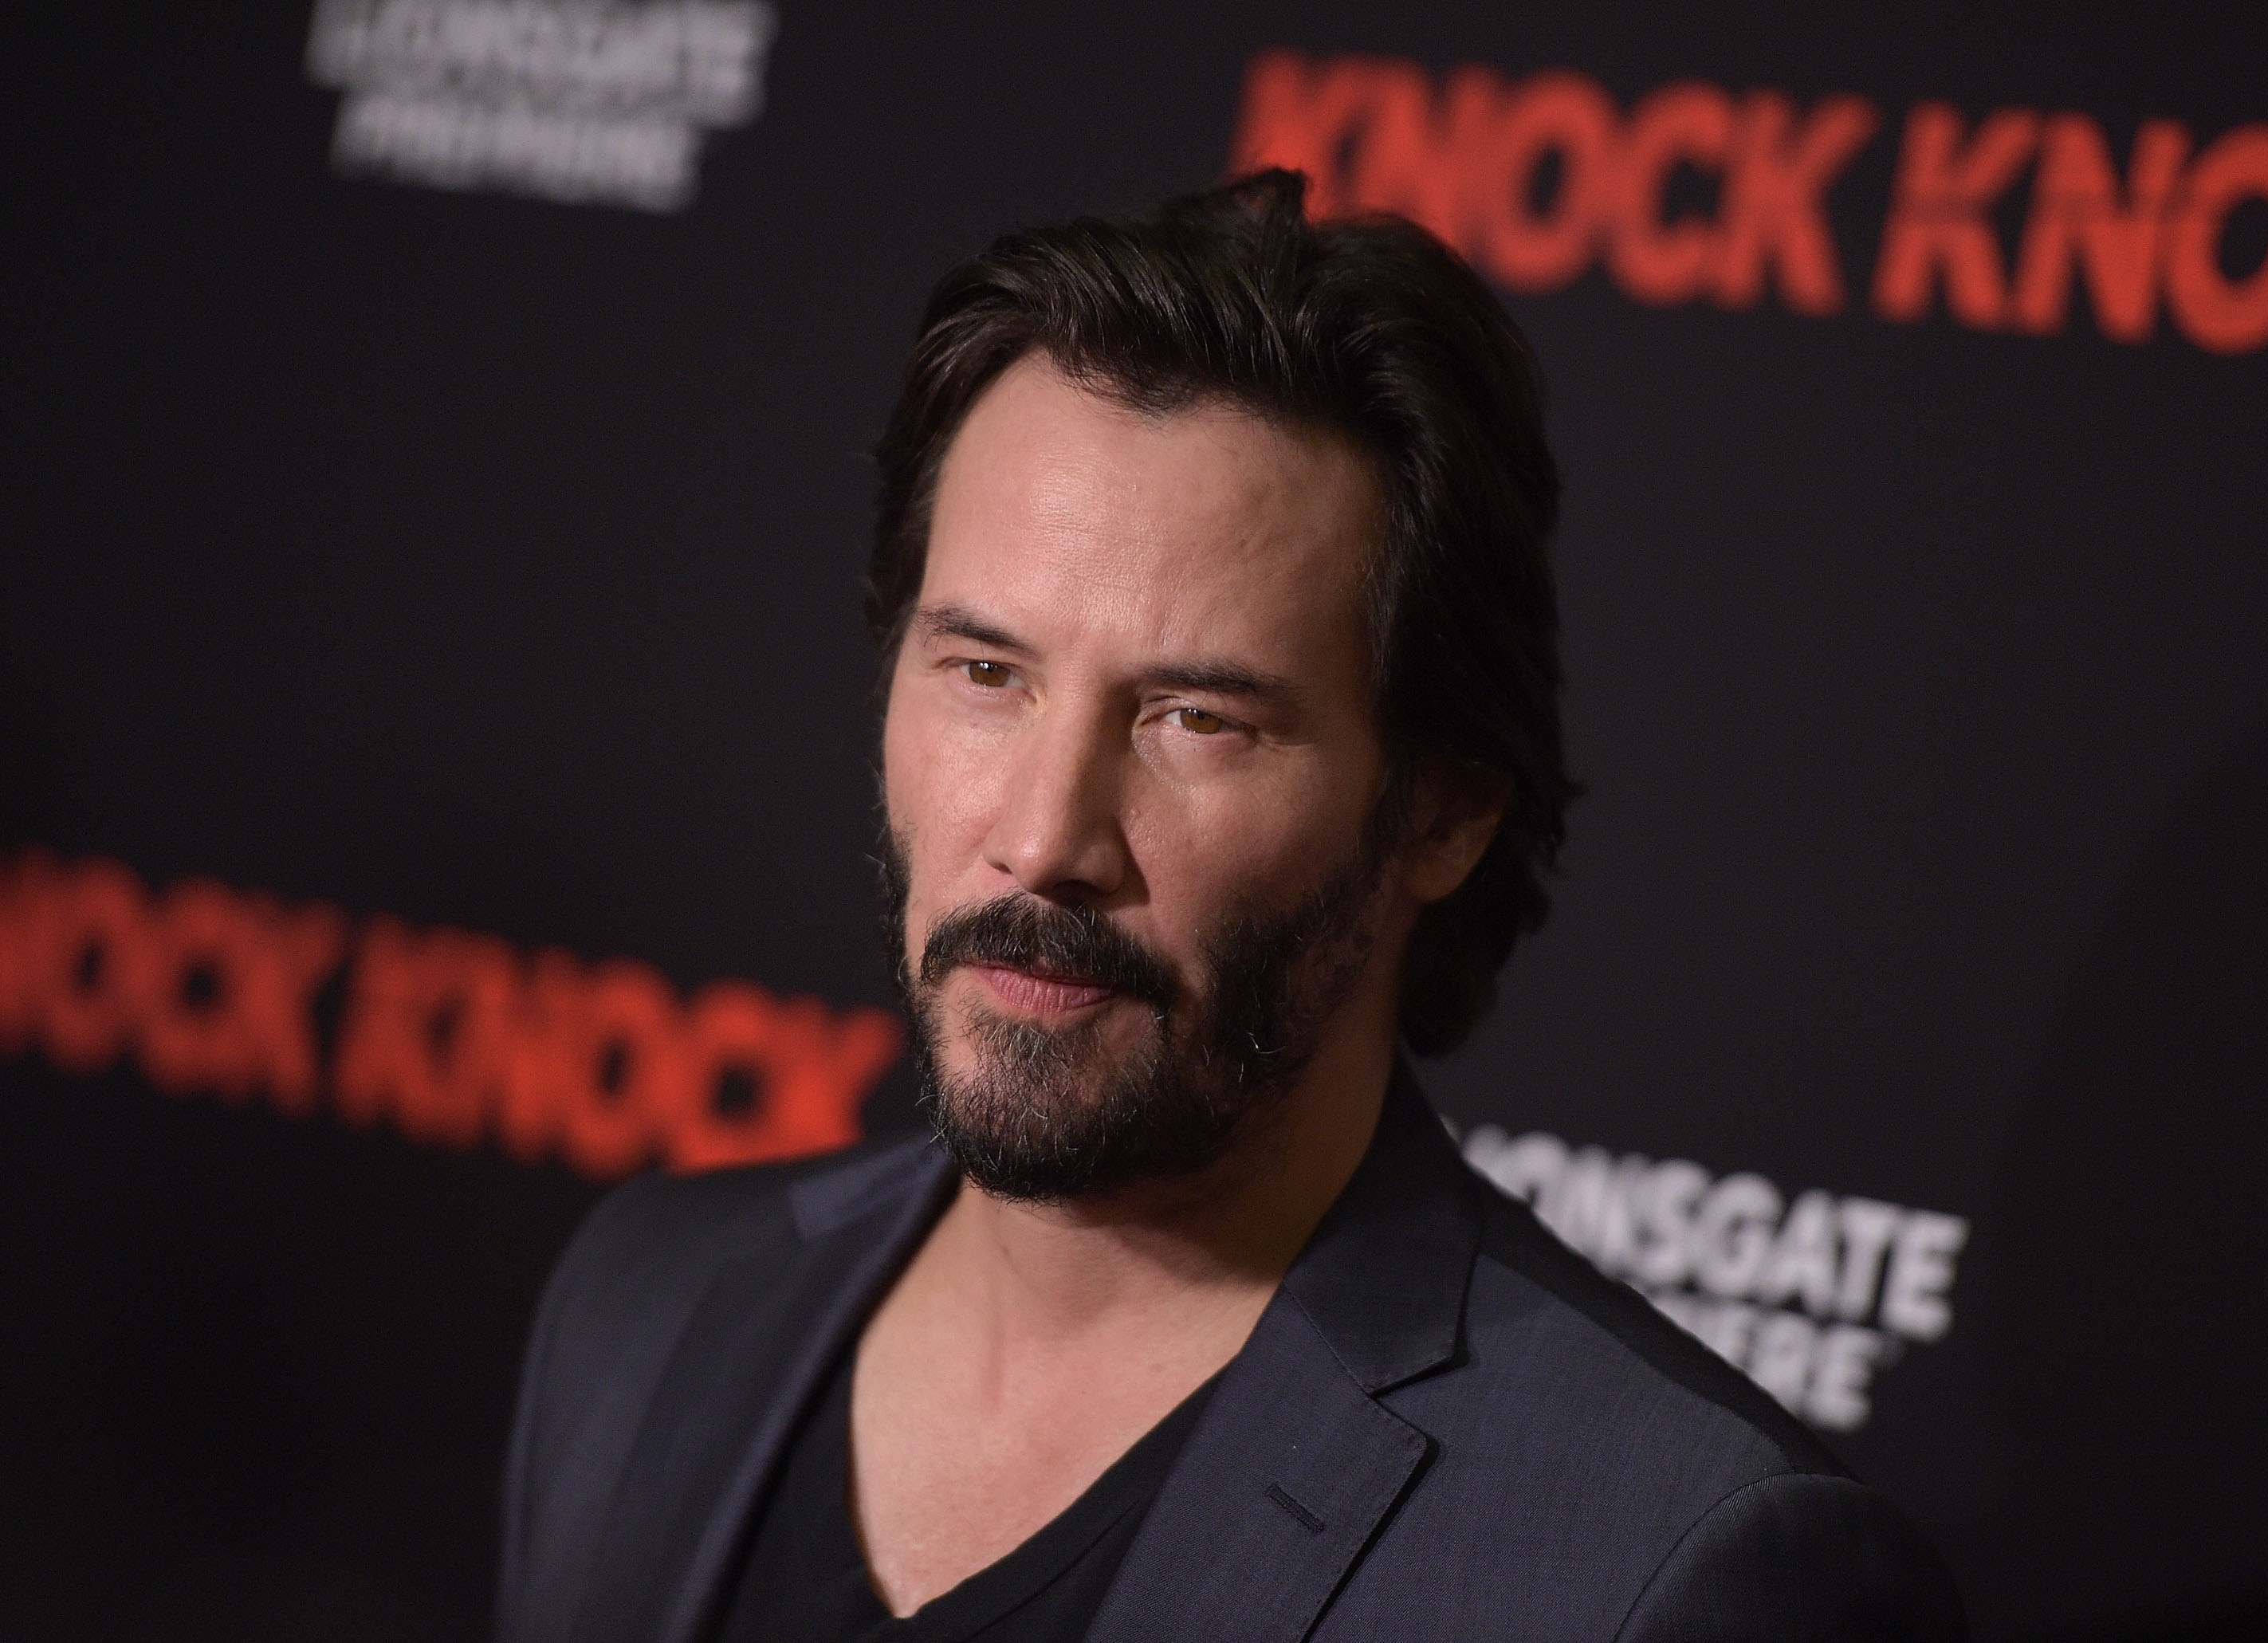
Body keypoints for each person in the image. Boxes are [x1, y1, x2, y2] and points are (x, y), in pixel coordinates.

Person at [496, 171, 1966, 1643]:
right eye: (986, 673)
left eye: (1196, 718)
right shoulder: (648, 1301)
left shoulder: (1675, 1568)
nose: (1042, 839)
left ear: (1442, 811)